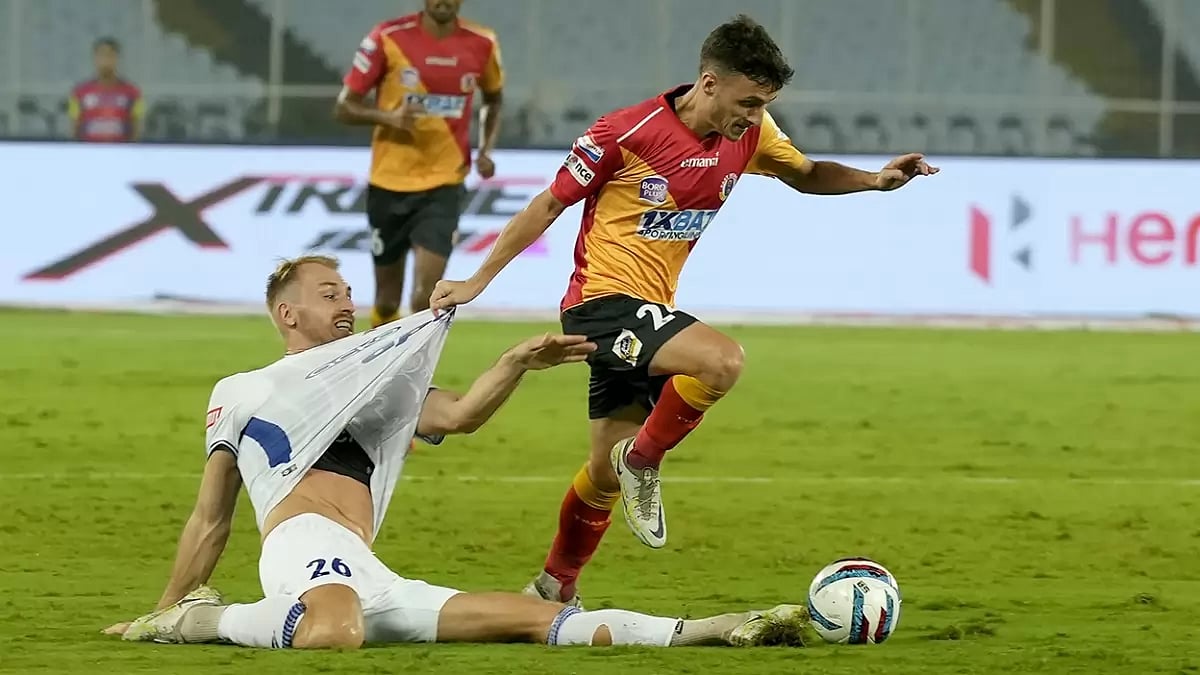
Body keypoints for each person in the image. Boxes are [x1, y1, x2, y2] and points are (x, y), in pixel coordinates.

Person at [429, 15, 939, 606]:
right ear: (709, 82)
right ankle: (644, 459)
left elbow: (804, 174)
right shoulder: (626, 131)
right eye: (747, 101)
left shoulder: (751, 133)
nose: (753, 115)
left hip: (648, 313)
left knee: (600, 477)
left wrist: (875, 180)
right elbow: (547, 205)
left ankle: (552, 587)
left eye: (764, 104)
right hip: (602, 304)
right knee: (721, 362)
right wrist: (476, 282)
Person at [102, 255, 807, 650]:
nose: (347, 303)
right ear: (287, 313)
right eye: (329, 293)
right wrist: (160, 605)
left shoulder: (374, 384)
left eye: (348, 291)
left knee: (536, 621)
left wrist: (515, 361)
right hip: (301, 545)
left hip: (366, 566)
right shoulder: (246, 389)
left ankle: (713, 630)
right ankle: (194, 621)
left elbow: (460, 415)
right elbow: (209, 518)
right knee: (336, 630)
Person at [334, 0, 504, 328]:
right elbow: (344, 107)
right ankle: (381, 368)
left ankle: (413, 374)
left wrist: (485, 150)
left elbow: (494, 100)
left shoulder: (482, 42)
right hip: (389, 182)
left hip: (444, 183)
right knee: (386, 299)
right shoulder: (388, 37)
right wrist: (388, 118)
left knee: (426, 294)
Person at [68, 37, 143, 143]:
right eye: (101, 55)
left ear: (117, 58)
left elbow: (137, 130)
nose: (106, 61)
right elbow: (74, 129)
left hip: (120, 153)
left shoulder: (132, 93)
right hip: (89, 153)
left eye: (110, 55)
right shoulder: (79, 92)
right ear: (95, 58)